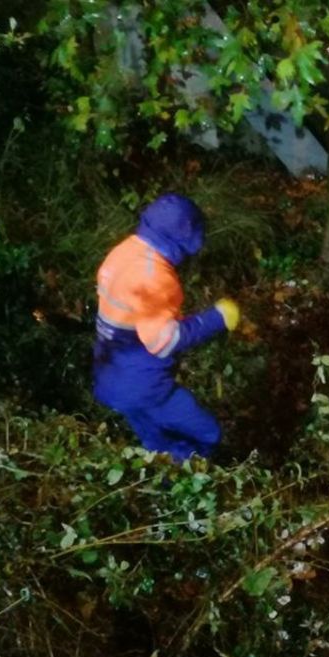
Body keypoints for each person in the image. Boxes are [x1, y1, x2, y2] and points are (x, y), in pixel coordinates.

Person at [92, 193, 240, 463]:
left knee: (155, 443)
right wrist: (216, 318)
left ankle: (167, 487)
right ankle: (203, 480)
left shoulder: (124, 251)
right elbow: (164, 341)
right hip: (145, 386)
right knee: (209, 434)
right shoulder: (155, 276)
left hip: (110, 378)